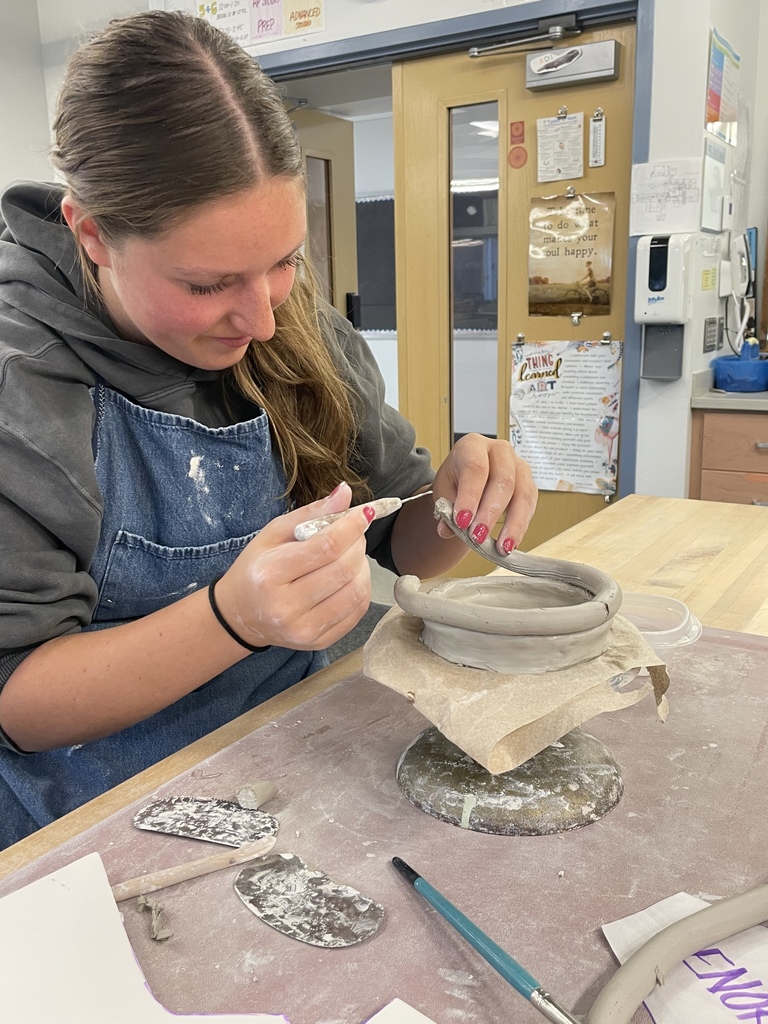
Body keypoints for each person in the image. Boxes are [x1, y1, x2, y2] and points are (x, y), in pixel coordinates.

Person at [0, 10, 536, 849]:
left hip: (294, 760)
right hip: (95, 822)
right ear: (93, 235)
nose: (259, 315)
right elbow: (17, 705)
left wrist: (459, 499)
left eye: (284, 260)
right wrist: (231, 618)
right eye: (209, 283)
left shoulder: (293, 322)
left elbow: (400, 540)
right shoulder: (20, 385)